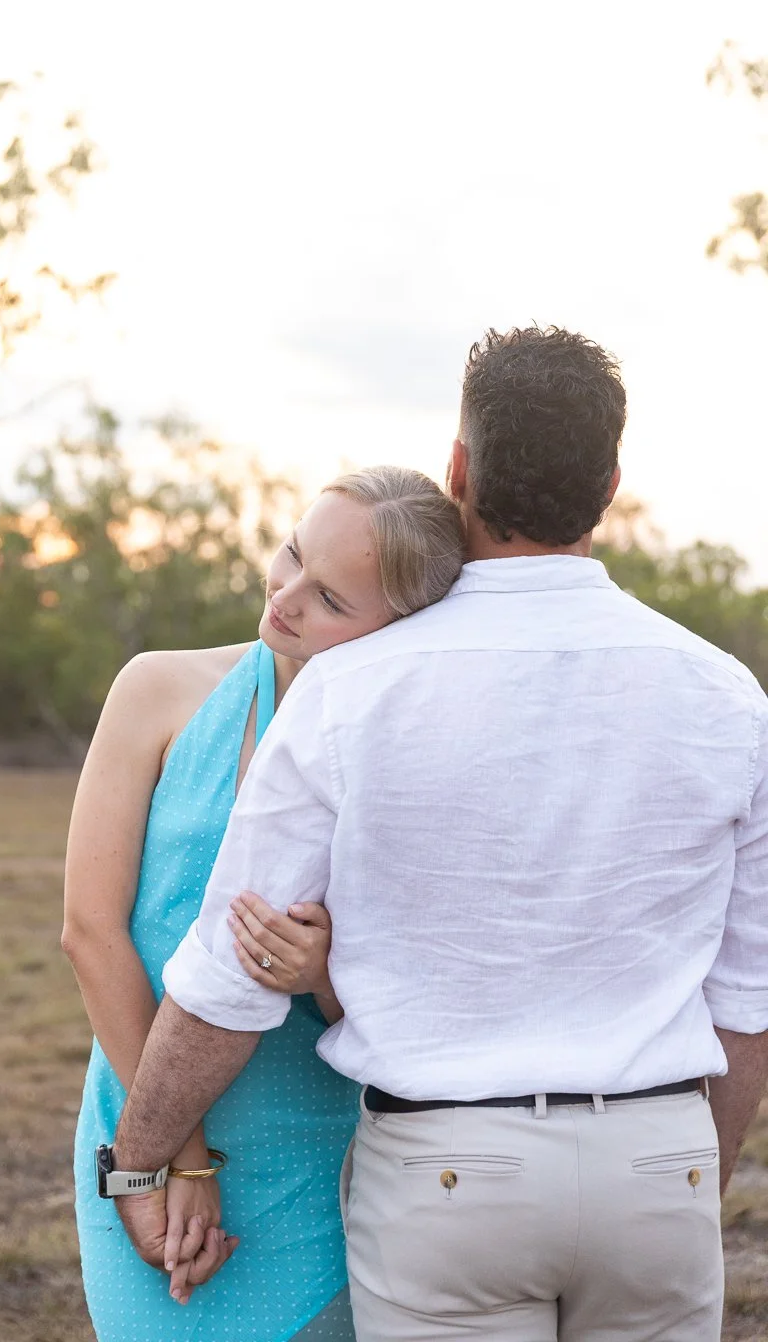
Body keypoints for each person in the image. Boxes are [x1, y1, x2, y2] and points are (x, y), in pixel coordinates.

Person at [112, 324, 768, 1342]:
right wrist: (688, 1179)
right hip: (659, 1158)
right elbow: (747, 997)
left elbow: (229, 971)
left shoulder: (351, 691)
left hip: (447, 1177)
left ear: (459, 468)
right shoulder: (729, 699)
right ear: (610, 483)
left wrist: (142, 1162)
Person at [62, 465, 465, 1340]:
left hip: (323, 1167)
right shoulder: (156, 690)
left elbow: (420, 994)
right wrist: (175, 1157)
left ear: (395, 628)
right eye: (291, 554)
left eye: (328, 598)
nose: (286, 596)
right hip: (142, 1123)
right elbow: (90, 933)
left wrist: (324, 972)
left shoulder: (411, 753)